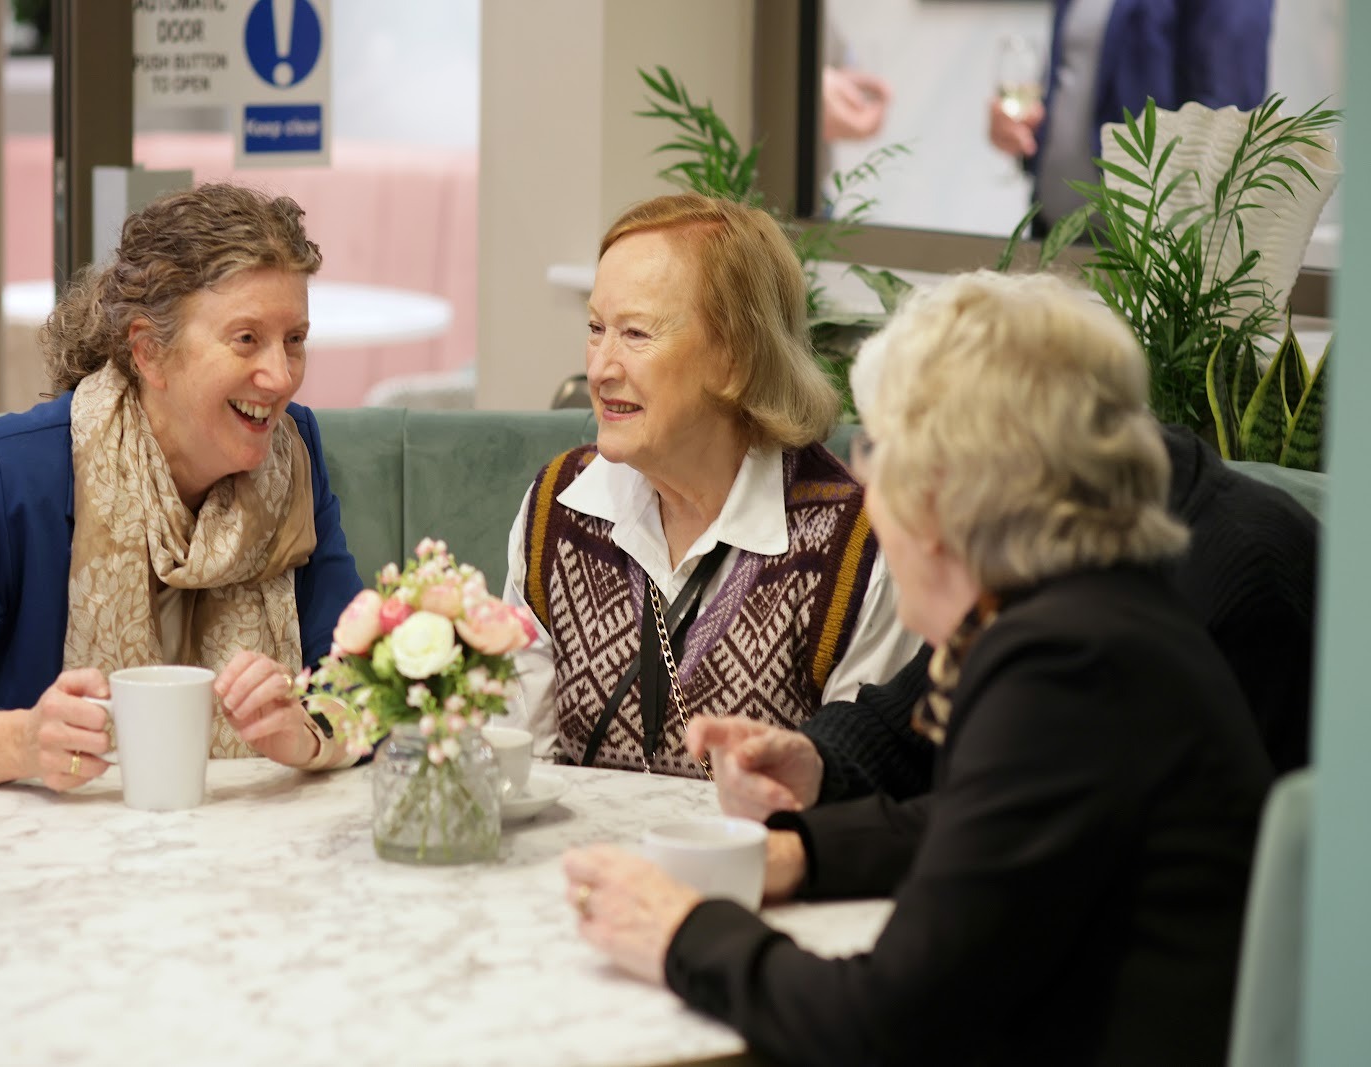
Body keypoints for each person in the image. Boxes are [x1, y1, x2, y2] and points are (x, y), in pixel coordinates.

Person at [563, 270, 1273, 1066]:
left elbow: (883, 1020)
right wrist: (799, 853)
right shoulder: (1098, 618)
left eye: (880, 449)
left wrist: (679, 931)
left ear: (945, 491)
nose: (864, 477)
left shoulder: (1063, 665)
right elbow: (981, 824)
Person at [0, 183, 362, 793]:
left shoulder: (294, 455)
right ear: (150, 352)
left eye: (295, 340)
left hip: (251, 864)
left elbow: (372, 686)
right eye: (246, 339)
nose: (281, 377)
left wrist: (309, 731)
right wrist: (17, 742)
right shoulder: (13, 480)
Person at [501, 193, 919, 777]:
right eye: (597, 329)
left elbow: (854, 792)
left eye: (637, 334)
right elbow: (519, 762)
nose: (599, 369)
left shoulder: (855, 548)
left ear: (737, 359)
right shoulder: (556, 509)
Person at [717, 420, 1319, 815]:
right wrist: (815, 762)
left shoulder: (1244, 576)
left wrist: (808, 860)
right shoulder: (1044, 524)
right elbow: (912, 722)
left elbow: (1029, 817)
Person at [989, 0, 1274, 233]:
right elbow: (1072, 83)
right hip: (1055, 238)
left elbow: (1227, 121)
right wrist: (1026, 132)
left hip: (1149, 264)